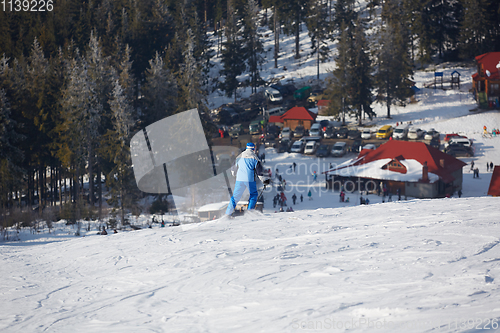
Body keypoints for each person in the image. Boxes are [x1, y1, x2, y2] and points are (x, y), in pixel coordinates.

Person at [225, 142, 267, 216]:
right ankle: (249, 213)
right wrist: (265, 181)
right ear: (254, 149)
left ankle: (228, 213)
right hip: (250, 180)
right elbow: (259, 173)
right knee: (253, 195)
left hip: (239, 179)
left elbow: (233, 169)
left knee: (235, 197)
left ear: (246, 148)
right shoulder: (255, 158)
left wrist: (234, 175)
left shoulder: (239, 156)